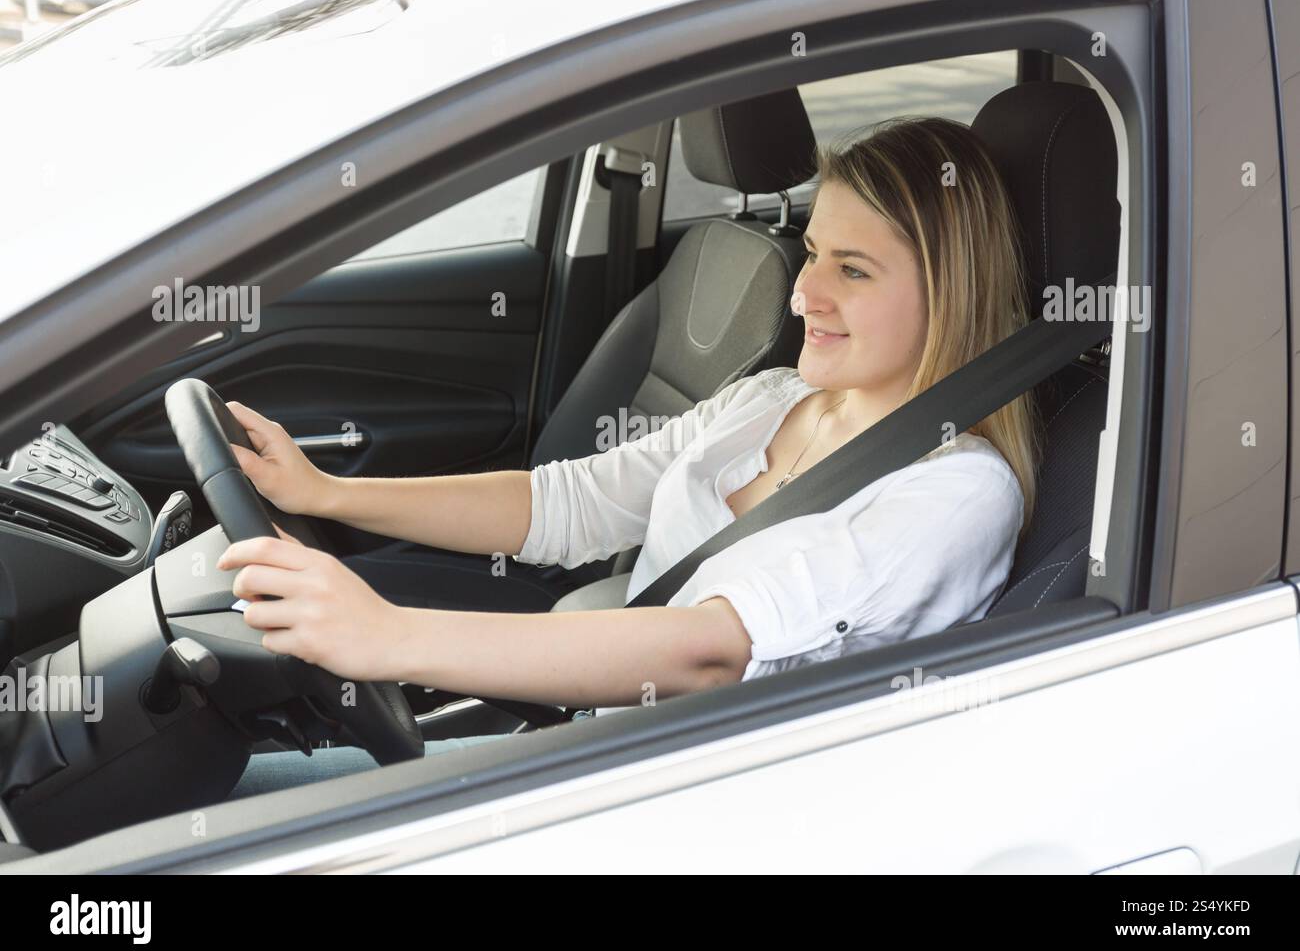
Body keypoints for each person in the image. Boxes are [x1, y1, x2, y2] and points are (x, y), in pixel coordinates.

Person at [223, 116, 1037, 798]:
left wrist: (390, 636)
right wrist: (327, 491)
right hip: (605, 743)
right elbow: (568, 505)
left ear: (949, 289)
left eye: (852, 270)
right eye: (812, 250)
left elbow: (715, 649)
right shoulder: (771, 399)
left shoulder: (959, 488)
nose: (802, 293)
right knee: (220, 777)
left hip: (689, 801)